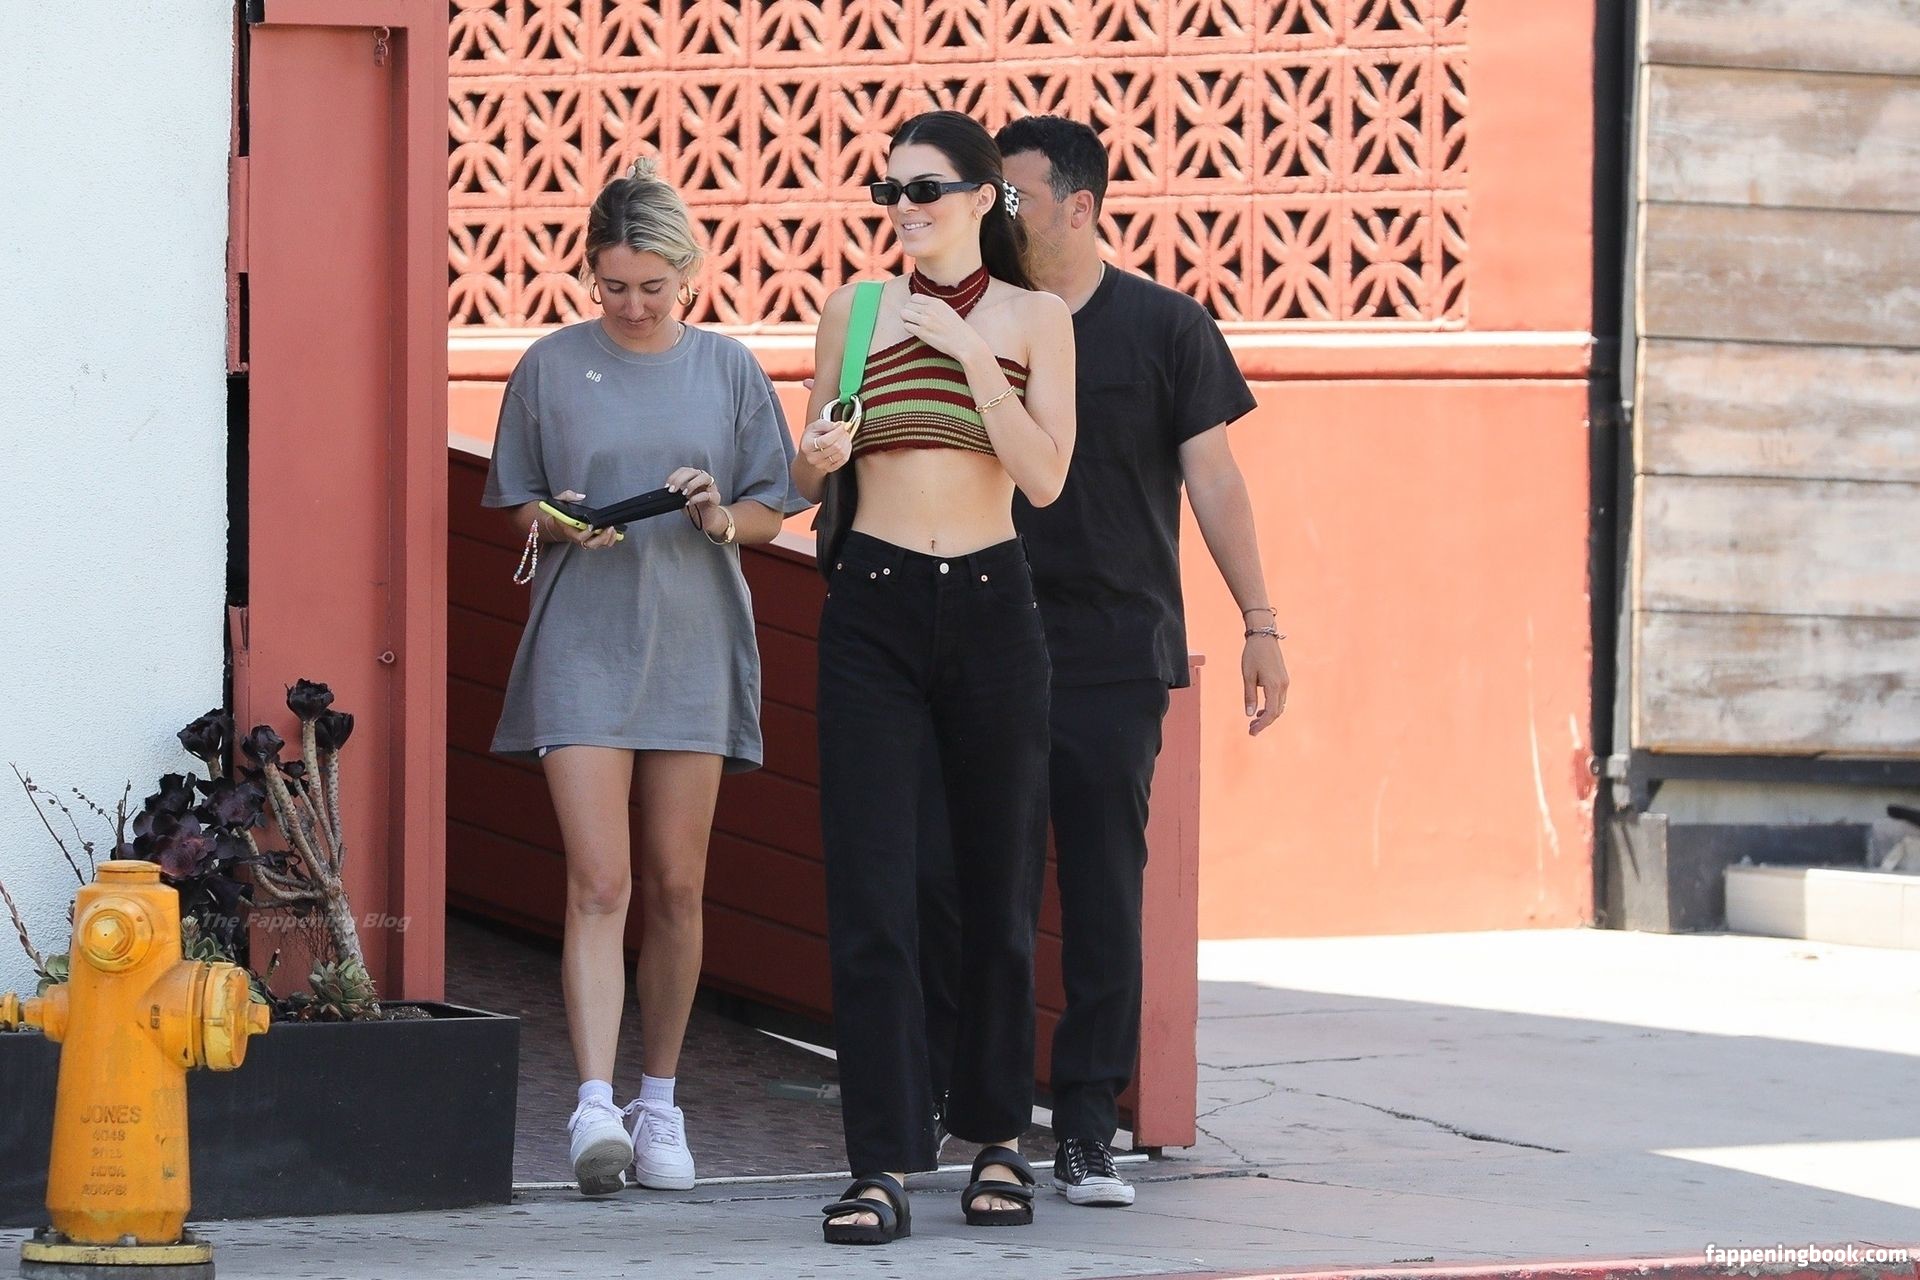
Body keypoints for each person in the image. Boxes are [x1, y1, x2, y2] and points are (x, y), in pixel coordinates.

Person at [919, 115, 1290, 1209]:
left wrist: (1261, 618)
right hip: (980, 637)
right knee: (962, 883)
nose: (998, 213)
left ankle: (1085, 1129)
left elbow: (1214, 478)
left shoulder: (1167, 327)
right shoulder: (969, 318)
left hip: (1113, 653)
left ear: (1080, 208)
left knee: (1101, 893)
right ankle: (970, 1108)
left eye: (1017, 197)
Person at [482, 157, 799, 1197]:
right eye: (612, 285)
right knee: (599, 880)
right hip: (582, 641)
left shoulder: (730, 369)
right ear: (590, 273)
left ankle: (659, 1101)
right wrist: (557, 520)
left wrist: (716, 513)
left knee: (675, 884)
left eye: (651, 287)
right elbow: (516, 504)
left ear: (688, 275)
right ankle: (591, 1106)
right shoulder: (547, 366)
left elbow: (770, 506)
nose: (630, 304)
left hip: (695, 643)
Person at [790, 110, 1076, 1244]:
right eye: (889, 192)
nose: (903, 209)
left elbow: (1046, 477)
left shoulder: (1036, 318)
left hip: (996, 606)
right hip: (874, 604)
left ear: (980, 198)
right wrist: (816, 456)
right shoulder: (854, 312)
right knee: (875, 891)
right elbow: (812, 466)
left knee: (996, 888)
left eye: (923, 189)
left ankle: (998, 1136)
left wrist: (967, 354)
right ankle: (882, 1160)